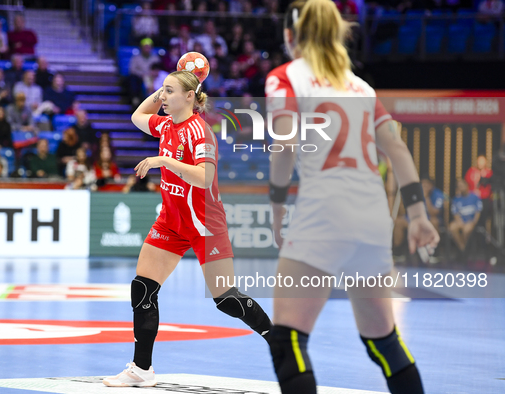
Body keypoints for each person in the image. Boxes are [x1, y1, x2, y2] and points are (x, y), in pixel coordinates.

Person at [266, 2, 439, 394]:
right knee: (385, 341)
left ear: (291, 36)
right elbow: (395, 146)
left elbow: (285, 144)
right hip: (373, 216)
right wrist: (418, 215)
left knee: (288, 339)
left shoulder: (286, 76)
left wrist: (277, 204)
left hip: (325, 211)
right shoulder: (361, 86)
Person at [102, 71, 272, 388]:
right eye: (161, 91)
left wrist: (164, 161)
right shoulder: (165, 125)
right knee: (142, 288)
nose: (161, 97)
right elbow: (138, 116)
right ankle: (142, 369)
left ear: (190, 97)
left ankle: (277, 340)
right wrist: (162, 90)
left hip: (205, 223)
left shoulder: (200, 132)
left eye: (168, 92)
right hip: (171, 221)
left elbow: (204, 178)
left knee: (226, 299)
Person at [450, 179, 483, 252]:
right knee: (452, 227)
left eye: (462, 186)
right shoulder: (456, 199)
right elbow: (455, 213)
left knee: (466, 229)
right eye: (459, 186)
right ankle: (463, 248)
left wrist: (474, 222)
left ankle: (466, 251)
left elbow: (478, 212)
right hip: (461, 221)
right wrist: (460, 222)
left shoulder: (475, 197)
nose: (461, 188)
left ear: (467, 186)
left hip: (471, 221)